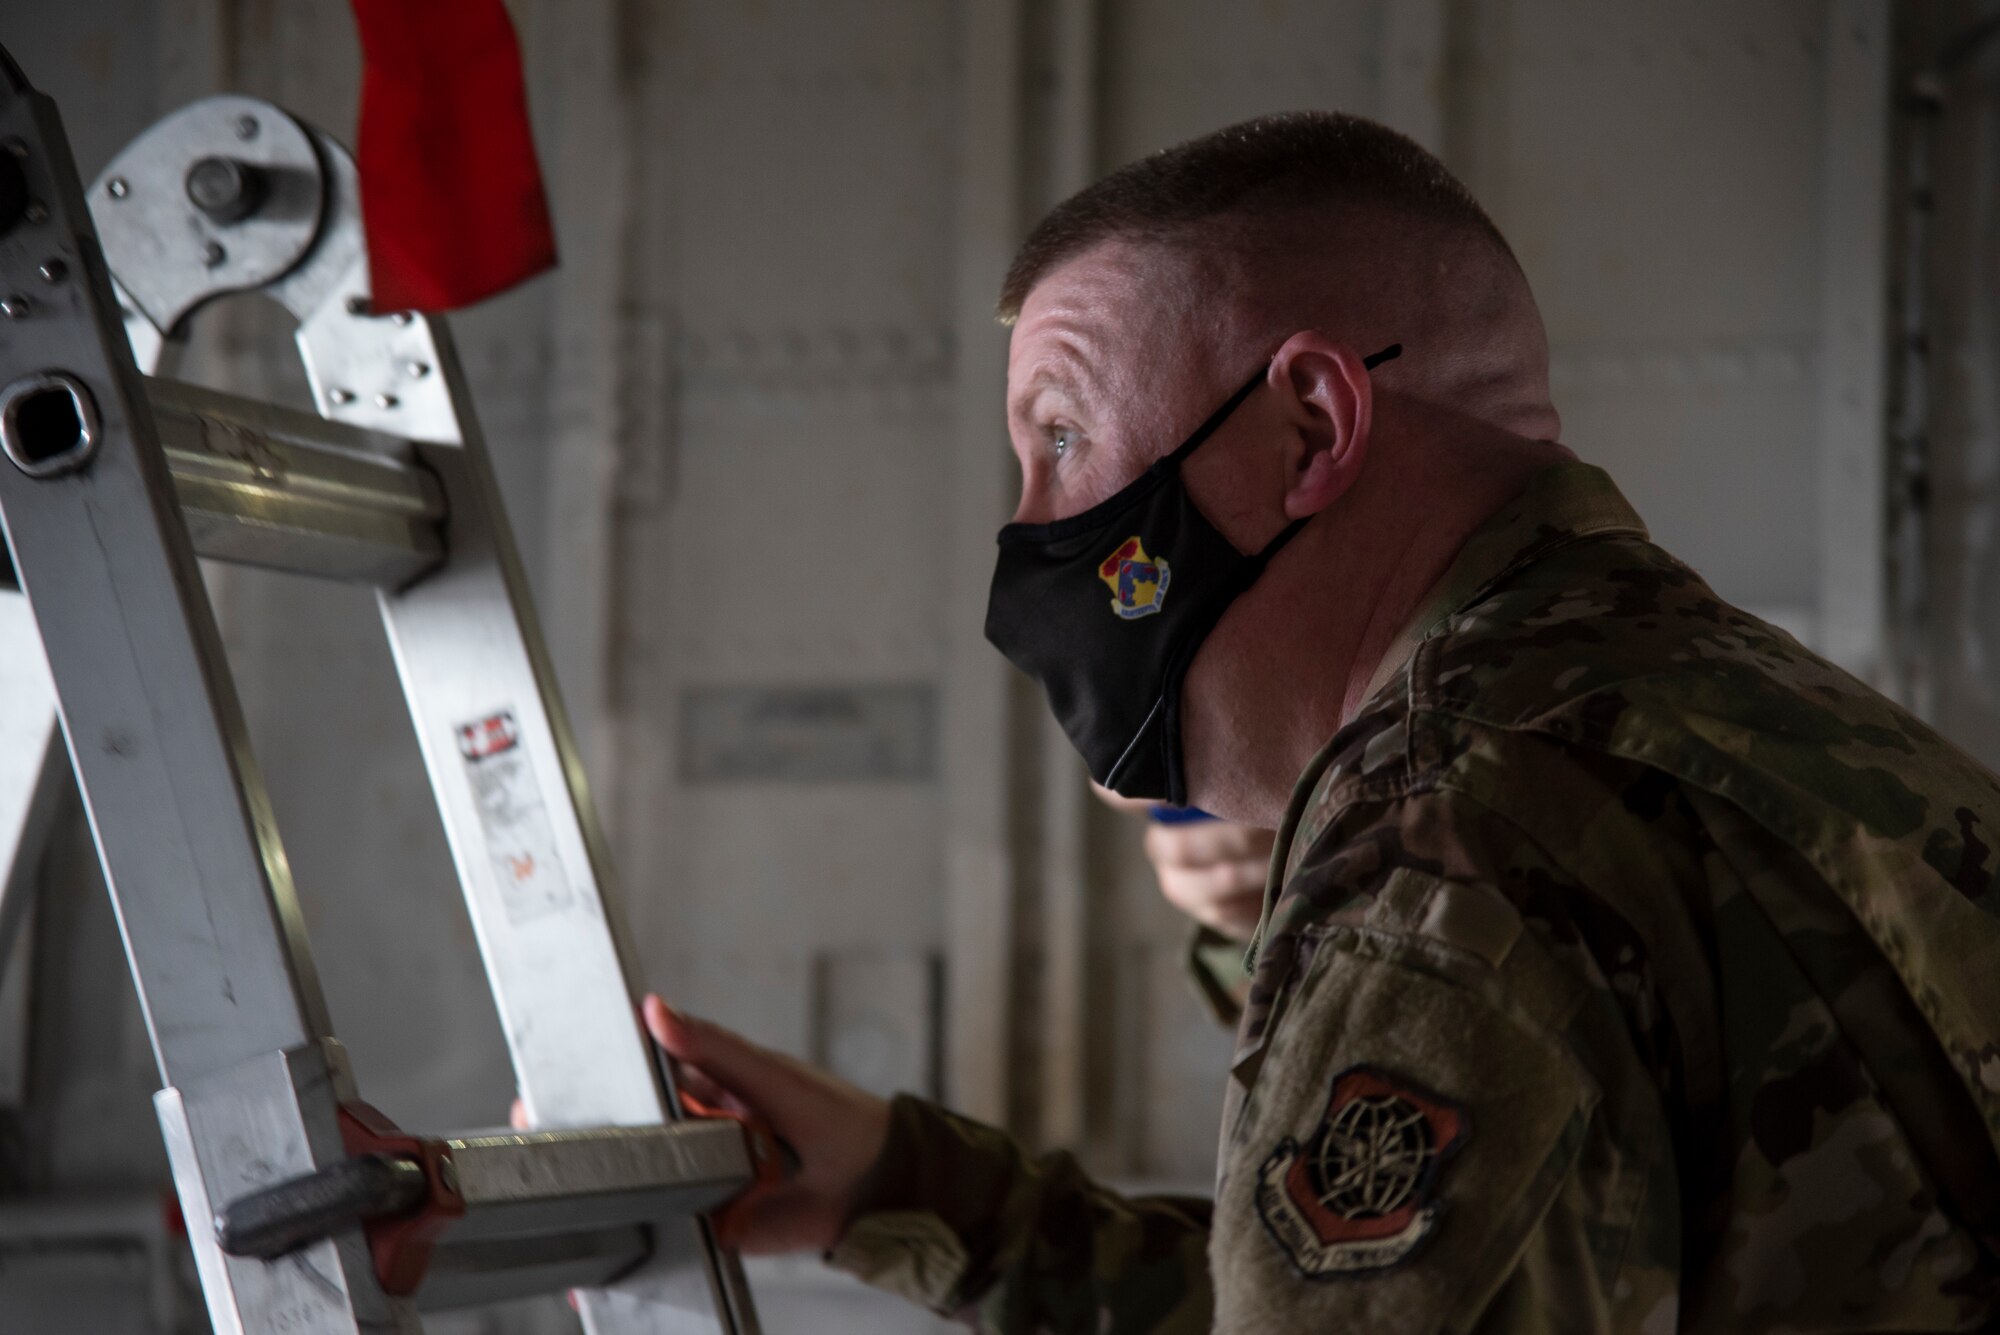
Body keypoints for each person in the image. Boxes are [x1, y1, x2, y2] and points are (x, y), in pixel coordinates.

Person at [630, 112, 2000, 1331]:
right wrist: (900, 1191)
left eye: (1060, 437)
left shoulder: (1449, 827)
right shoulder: (1736, 712)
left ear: (1309, 428)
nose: (1031, 530)